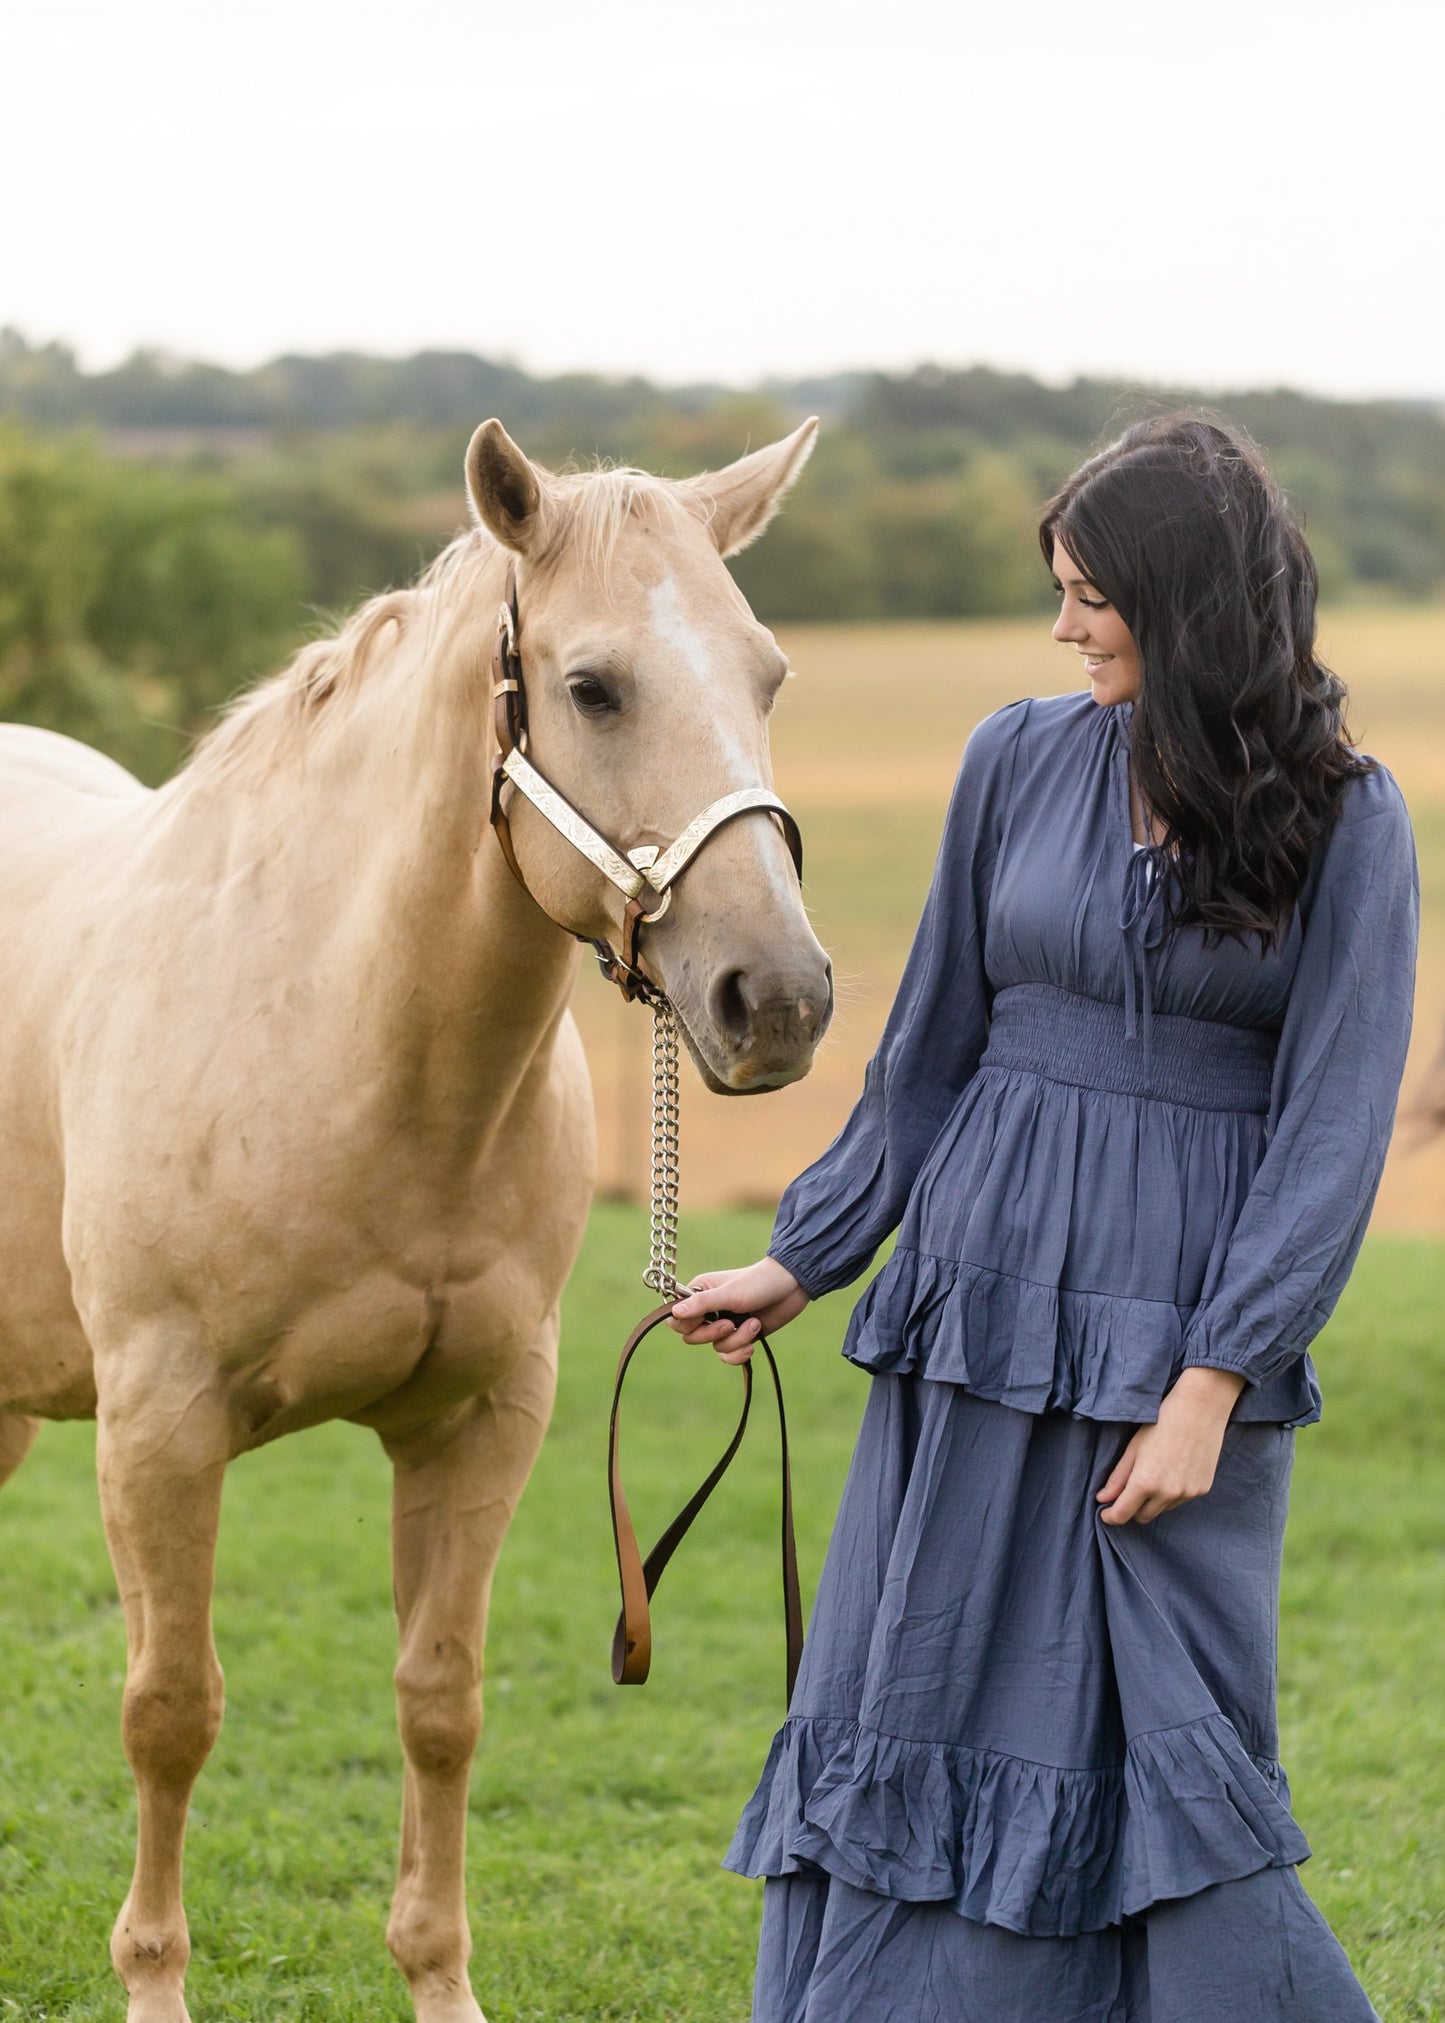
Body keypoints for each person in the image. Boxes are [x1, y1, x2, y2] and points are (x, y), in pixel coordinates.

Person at [670, 414, 1419, 2023]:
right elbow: (927, 1047)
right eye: (1057, 592)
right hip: (978, 1295)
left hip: (1176, 1332)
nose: (1063, 627)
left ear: (1187, 600)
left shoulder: (1348, 816)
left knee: (1165, 1720)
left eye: (1091, 595)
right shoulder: (1012, 756)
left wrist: (1214, 1380)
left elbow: (1333, 1130)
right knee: (925, 1684)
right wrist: (806, 1255)